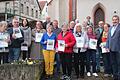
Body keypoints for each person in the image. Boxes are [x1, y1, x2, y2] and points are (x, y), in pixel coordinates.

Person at [106, 15, 120, 80]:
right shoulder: (111, 28)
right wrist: (107, 46)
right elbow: (108, 38)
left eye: (116, 19)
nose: (114, 21)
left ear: (118, 20)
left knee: (119, 63)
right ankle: (115, 76)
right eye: (113, 20)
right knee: (113, 63)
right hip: (111, 49)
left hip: (118, 49)